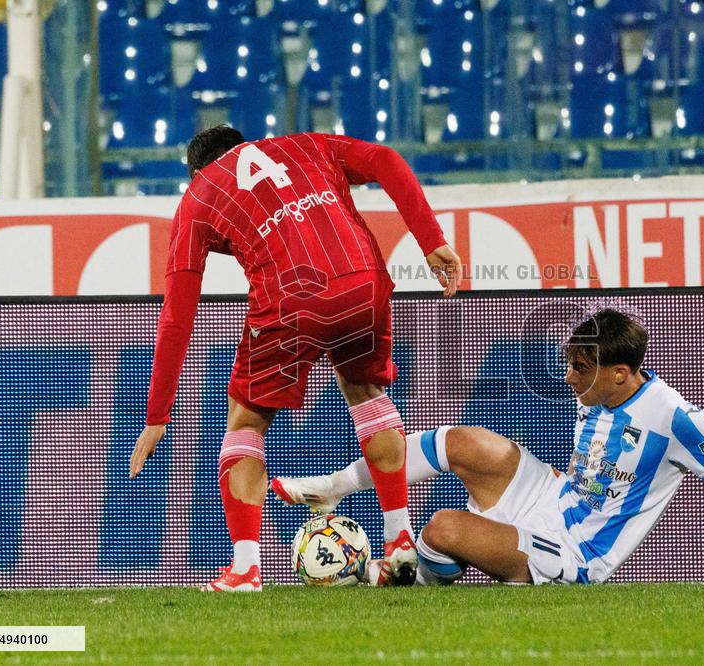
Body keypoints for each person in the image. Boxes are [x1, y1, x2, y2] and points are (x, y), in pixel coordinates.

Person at [128, 126, 463, 592]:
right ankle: (398, 538)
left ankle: (245, 568)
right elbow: (386, 157)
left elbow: (177, 314)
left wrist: (158, 413)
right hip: (363, 280)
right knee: (367, 392)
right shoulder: (308, 144)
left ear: (197, 171)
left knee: (245, 421)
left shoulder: (199, 197)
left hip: (290, 298)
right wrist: (429, 239)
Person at [273, 309, 704, 585]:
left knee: (444, 527)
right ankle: (334, 487)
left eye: (580, 368)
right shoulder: (596, 389)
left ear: (621, 373)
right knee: (461, 440)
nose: (568, 376)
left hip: (576, 554)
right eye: (569, 363)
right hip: (551, 496)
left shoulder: (673, 417)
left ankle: (398, 581)